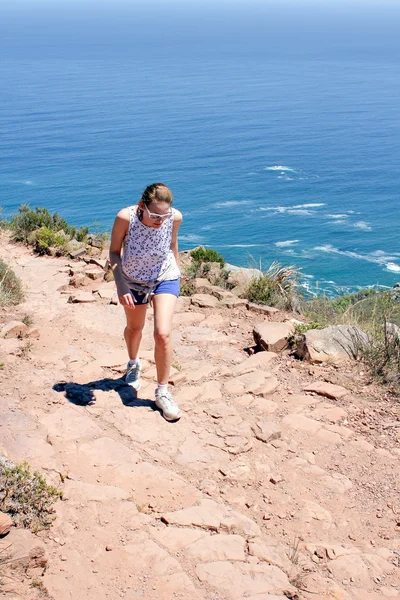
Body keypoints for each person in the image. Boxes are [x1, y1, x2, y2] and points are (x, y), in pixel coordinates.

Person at [109, 183, 183, 421]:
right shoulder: (125, 217)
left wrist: (177, 270)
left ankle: (162, 392)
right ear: (142, 206)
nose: (160, 220)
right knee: (135, 328)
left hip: (164, 276)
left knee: (163, 334)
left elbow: (172, 245)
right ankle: (133, 363)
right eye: (155, 215)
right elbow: (114, 252)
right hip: (132, 280)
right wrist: (121, 285)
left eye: (165, 215)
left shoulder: (174, 217)